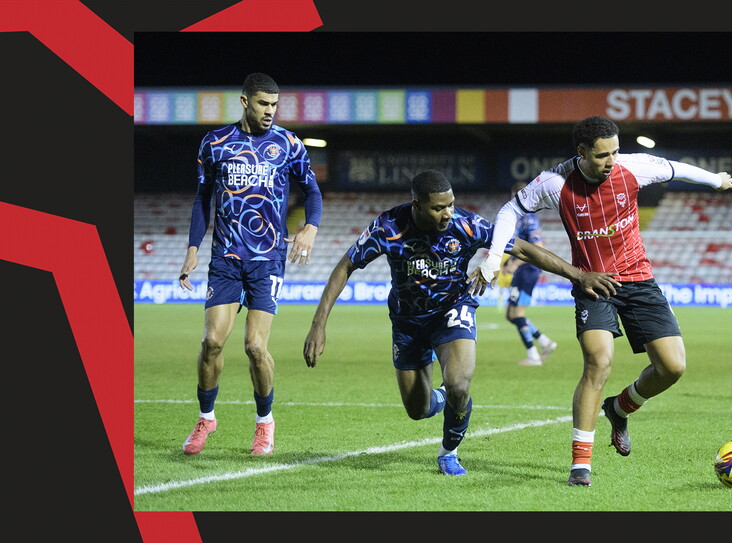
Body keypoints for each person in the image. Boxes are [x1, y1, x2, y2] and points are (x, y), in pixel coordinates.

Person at [471, 115, 732, 486]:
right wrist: (495, 256)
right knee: (598, 361)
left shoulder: (632, 167)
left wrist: (715, 180)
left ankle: (620, 407)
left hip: (640, 280)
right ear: (581, 153)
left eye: (615, 151)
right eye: (602, 155)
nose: (611, 160)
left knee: (672, 368)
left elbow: (675, 169)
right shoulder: (554, 183)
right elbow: (509, 211)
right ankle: (581, 464)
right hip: (593, 284)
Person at [303, 170, 616, 476]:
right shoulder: (387, 227)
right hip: (407, 321)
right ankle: (444, 397)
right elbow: (345, 266)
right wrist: (319, 324)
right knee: (418, 410)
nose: (448, 213)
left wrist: (579, 275)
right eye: (439, 207)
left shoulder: (466, 225)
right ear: (416, 205)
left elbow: (523, 248)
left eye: (450, 204)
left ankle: (448, 451)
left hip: (453, 311)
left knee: (459, 384)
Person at [178, 73, 322, 456]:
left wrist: (310, 226)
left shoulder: (288, 143)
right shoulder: (215, 143)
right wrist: (193, 247)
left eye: (275, 105)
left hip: (267, 261)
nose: (270, 112)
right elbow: (201, 198)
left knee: (255, 347)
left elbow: (312, 189)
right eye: (263, 104)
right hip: (225, 257)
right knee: (211, 343)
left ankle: (264, 424)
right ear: (245, 102)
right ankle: (207, 417)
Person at [503, 181, 557, 366]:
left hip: (528, 271)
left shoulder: (529, 218)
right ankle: (545, 342)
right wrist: (509, 262)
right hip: (522, 270)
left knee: (517, 313)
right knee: (511, 315)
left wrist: (515, 264)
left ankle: (534, 355)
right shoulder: (519, 218)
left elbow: (537, 248)